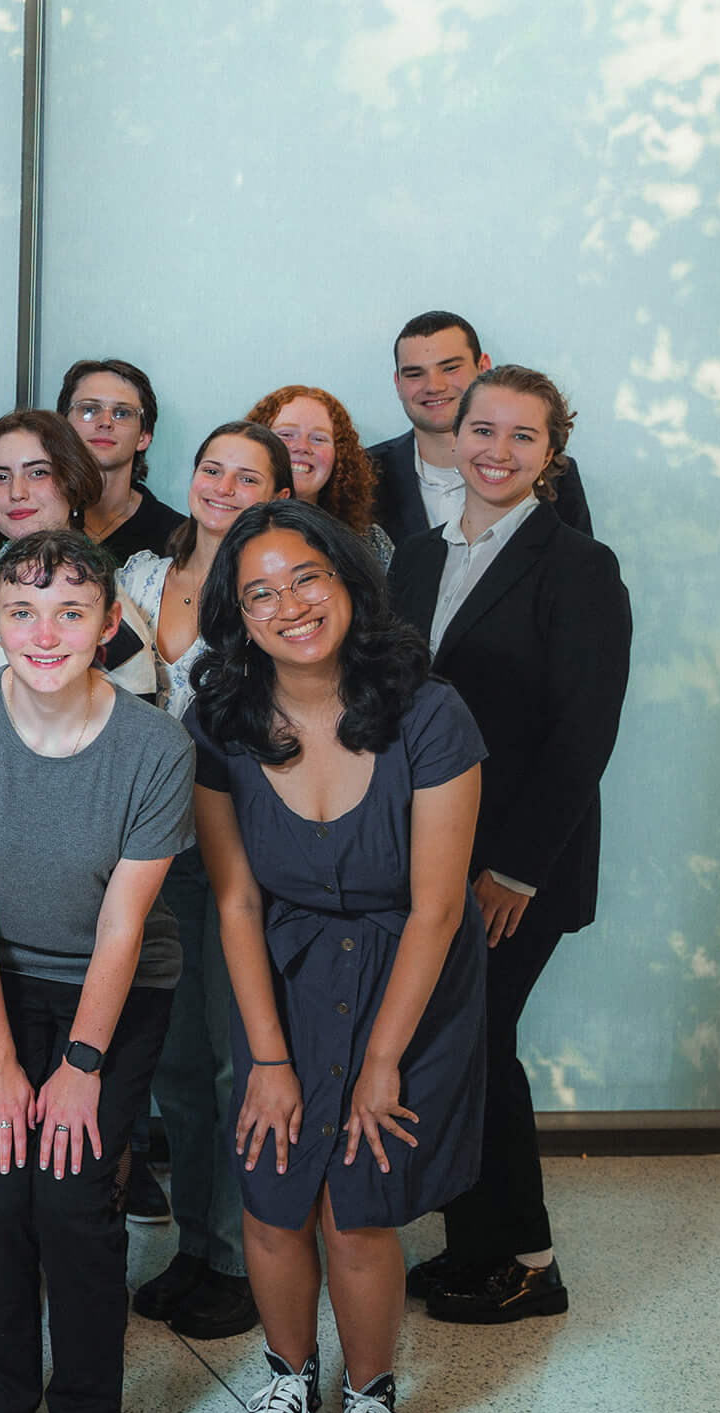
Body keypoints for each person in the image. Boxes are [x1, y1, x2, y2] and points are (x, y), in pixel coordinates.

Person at [191, 501, 489, 1413]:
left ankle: (370, 1395)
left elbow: (440, 906)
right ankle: (287, 1378)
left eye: (306, 576)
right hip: (278, 970)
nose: (289, 604)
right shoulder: (222, 719)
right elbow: (233, 897)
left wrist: (378, 1060)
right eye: (259, 591)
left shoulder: (429, 710)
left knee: (359, 1201)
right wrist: (267, 1059)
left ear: (349, 579)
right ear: (238, 615)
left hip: (408, 975)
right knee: (273, 1190)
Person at [0, 530, 192, 1413]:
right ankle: (2, 1403)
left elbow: (123, 923)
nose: (44, 631)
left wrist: (78, 1064)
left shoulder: (156, 746)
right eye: (22, 610)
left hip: (111, 991)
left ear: (108, 625)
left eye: (71, 611)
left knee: (69, 1198)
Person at [389, 366, 629, 1324]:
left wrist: (515, 868)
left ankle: (528, 1262)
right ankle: (477, 1247)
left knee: (480, 1044)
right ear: (452, 435)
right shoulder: (412, 558)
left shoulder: (578, 565)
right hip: (427, 855)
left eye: (519, 437)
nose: (494, 450)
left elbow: (584, 732)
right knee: (456, 1045)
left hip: (516, 866)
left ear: (549, 454)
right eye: (479, 429)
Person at [115, 424, 293, 1344]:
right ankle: (193, 1244)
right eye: (211, 469)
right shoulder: (140, 577)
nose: (223, 486)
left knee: (233, 1061)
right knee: (178, 1066)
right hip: (149, 846)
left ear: (277, 491)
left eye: (247, 475)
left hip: (237, 849)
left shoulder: (276, 588)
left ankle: (235, 1255)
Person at [0, 410, 161, 700]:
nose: (17, 492)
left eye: (38, 472)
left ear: (72, 479)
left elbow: (137, 734)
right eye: (0, 476)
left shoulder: (109, 607)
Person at [370, 311, 591, 544]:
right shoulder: (362, 474)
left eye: (450, 368)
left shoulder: (554, 472)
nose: (433, 386)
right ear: (398, 383)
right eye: (415, 374)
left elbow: (584, 571)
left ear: (483, 366)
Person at [56, 358, 183, 564]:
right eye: (89, 410)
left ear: (144, 436)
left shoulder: (178, 537)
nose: (105, 423)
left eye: (122, 413)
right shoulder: (34, 518)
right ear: (62, 425)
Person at [247, 383, 391, 564]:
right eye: (286, 435)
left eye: (318, 438)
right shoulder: (225, 527)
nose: (302, 447)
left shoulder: (371, 544)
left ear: (340, 456)